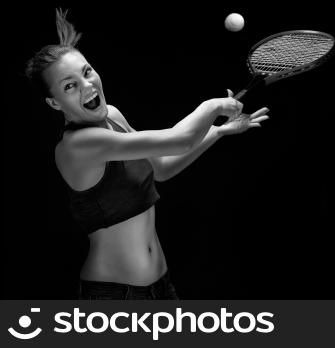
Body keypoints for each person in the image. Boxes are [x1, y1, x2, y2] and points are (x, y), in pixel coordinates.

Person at [26, 9, 269, 299]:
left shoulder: (113, 116)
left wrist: (217, 131)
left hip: (161, 288)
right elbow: (179, 139)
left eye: (87, 71)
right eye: (69, 85)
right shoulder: (78, 146)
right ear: (54, 103)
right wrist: (212, 107)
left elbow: (163, 167)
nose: (87, 85)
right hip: (114, 296)